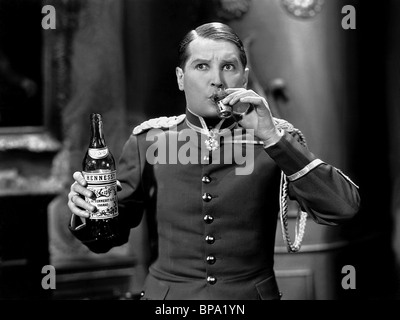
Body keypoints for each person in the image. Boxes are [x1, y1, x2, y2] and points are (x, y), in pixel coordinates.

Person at [67, 22, 360, 300]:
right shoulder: (149, 141)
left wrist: (273, 137)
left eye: (228, 67)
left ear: (244, 78)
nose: (216, 80)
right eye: (201, 66)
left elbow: (342, 208)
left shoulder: (274, 141)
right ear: (181, 78)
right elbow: (107, 239)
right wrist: (86, 211)